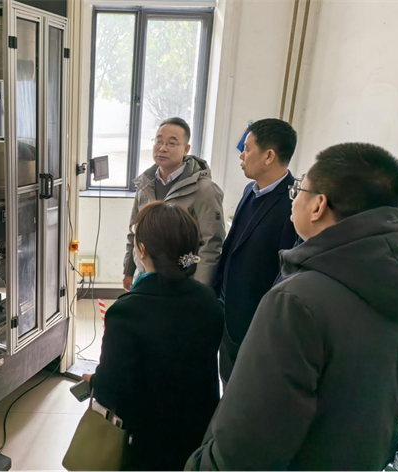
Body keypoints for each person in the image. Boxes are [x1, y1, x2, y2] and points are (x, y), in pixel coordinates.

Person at [187, 143, 398, 471]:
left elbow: (247, 446)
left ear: (318, 206)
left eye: (299, 189)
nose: (294, 197)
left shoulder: (297, 301)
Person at [85, 201, 224, 472]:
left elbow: (113, 389)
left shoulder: (126, 312)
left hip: (145, 443)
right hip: (199, 438)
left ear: (142, 249)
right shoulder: (210, 303)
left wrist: (94, 381)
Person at [214, 118, 298, 383]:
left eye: (247, 149)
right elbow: (232, 246)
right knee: (228, 381)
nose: (242, 155)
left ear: (269, 156)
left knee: (247, 388)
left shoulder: (293, 205)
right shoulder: (250, 190)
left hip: (256, 321)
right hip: (229, 311)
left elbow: (286, 271)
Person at [123, 117, 225, 290]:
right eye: (159, 141)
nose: (162, 148)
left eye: (171, 143)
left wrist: (198, 289)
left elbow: (211, 244)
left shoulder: (204, 189)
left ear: (186, 149)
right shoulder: (146, 184)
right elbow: (135, 230)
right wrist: (129, 270)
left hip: (183, 283)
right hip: (146, 278)